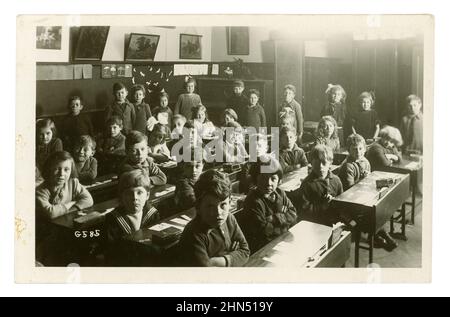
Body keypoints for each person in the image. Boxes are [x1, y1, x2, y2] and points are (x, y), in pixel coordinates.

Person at [177, 170, 250, 266]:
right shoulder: (194, 234)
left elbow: (245, 251)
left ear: (230, 202)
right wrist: (232, 256)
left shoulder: (229, 218)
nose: (218, 213)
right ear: (198, 206)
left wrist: (216, 261)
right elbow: (206, 271)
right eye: (210, 206)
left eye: (223, 205)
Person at [240, 155, 297, 253]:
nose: (268, 183)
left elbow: (294, 215)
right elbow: (264, 232)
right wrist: (283, 218)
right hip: (262, 249)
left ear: (279, 180)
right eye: (263, 178)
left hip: (281, 240)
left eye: (273, 179)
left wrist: (274, 218)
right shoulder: (253, 201)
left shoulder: (280, 193)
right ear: (255, 179)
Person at [104, 169, 160, 265]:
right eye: (129, 193)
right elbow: (111, 252)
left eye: (139, 193)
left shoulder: (153, 214)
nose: (134, 198)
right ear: (122, 196)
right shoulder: (113, 218)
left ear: (147, 195)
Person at [36, 151, 93, 220]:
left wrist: (71, 209)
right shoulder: (41, 190)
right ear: (49, 169)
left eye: (66, 169)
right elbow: (51, 213)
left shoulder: (73, 182)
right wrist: (71, 203)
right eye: (57, 169)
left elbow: (89, 200)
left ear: (71, 170)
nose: (61, 174)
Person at [297, 145, 343, 225]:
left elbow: (343, 203)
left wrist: (335, 202)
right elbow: (303, 213)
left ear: (330, 163)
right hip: (316, 224)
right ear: (311, 162)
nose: (320, 166)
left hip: (335, 222)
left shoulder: (336, 180)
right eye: (317, 163)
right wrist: (323, 206)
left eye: (324, 162)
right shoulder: (307, 184)